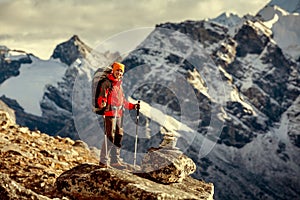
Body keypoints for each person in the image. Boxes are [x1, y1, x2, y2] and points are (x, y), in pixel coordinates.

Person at [97, 62, 139, 169]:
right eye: (117, 70)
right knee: (110, 136)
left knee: (118, 136)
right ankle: (103, 161)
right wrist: (102, 102)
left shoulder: (119, 85)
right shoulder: (107, 83)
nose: (119, 73)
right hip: (110, 112)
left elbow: (123, 101)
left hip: (119, 114)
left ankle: (115, 161)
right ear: (113, 70)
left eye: (121, 71)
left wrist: (133, 106)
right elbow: (102, 96)